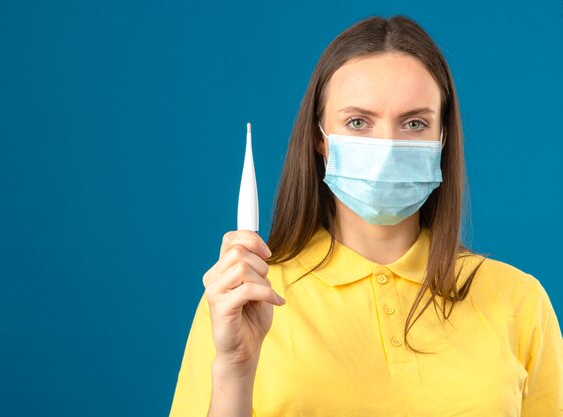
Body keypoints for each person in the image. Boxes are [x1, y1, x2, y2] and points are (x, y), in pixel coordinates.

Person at [169, 15, 563, 417]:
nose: (387, 147)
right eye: (358, 122)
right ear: (319, 138)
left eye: (414, 123)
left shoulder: (520, 301)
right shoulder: (246, 295)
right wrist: (235, 369)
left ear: (442, 138)